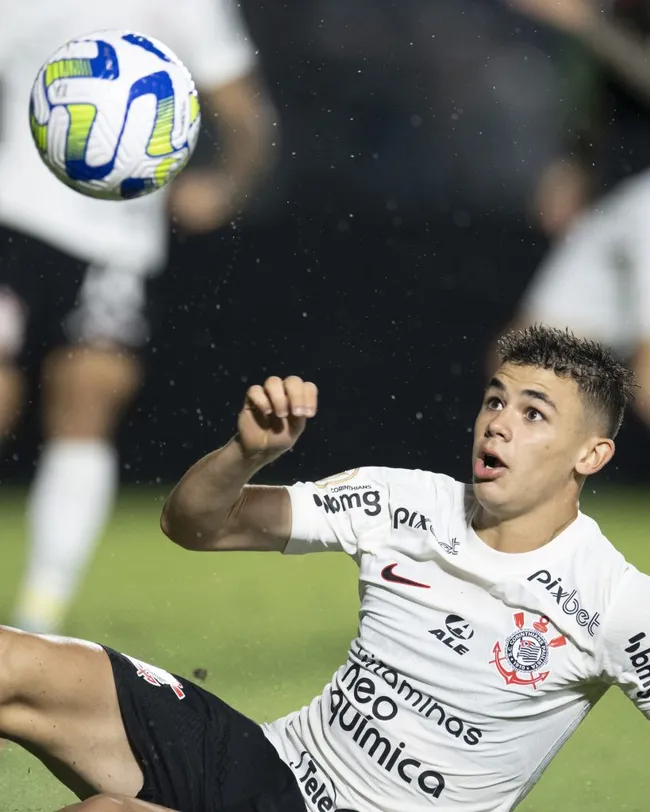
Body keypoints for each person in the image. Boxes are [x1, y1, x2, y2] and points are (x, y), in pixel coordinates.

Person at [2, 323, 649, 812]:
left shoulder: (614, 601)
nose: (497, 425)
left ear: (591, 454)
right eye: (495, 400)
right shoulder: (402, 502)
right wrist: (245, 454)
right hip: (271, 766)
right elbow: (194, 526)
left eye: (533, 413)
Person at [0, 0, 275, 633]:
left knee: (88, 399)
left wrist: (229, 185)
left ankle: (40, 610)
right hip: (14, 216)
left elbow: (244, 110)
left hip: (115, 239)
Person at [502, 0, 650, 425]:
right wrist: (574, 162)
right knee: (526, 355)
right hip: (616, 197)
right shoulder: (617, 14)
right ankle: (535, 483)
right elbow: (601, 99)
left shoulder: (600, 21)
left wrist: (589, 26)